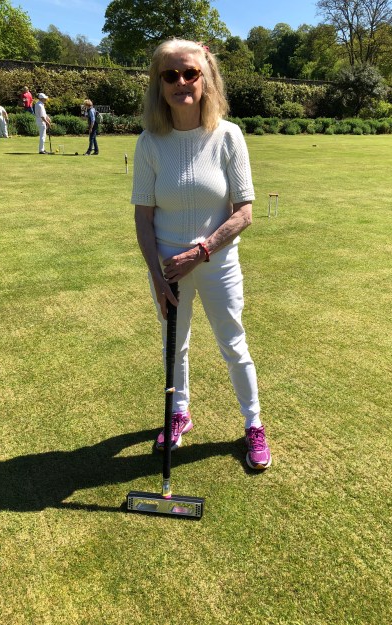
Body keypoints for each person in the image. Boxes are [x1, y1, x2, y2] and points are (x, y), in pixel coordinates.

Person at [131, 39, 272, 470]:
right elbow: (143, 216)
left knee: (233, 343)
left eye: (190, 73)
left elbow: (244, 212)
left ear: (206, 78)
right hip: (168, 268)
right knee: (174, 346)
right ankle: (179, 413)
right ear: (159, 83)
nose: (181, 82)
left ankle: (253, 424)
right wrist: (157, 276)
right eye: (170, 75)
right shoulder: (149, 143)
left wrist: (202, 251)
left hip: (218, 263)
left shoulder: (228, 136)